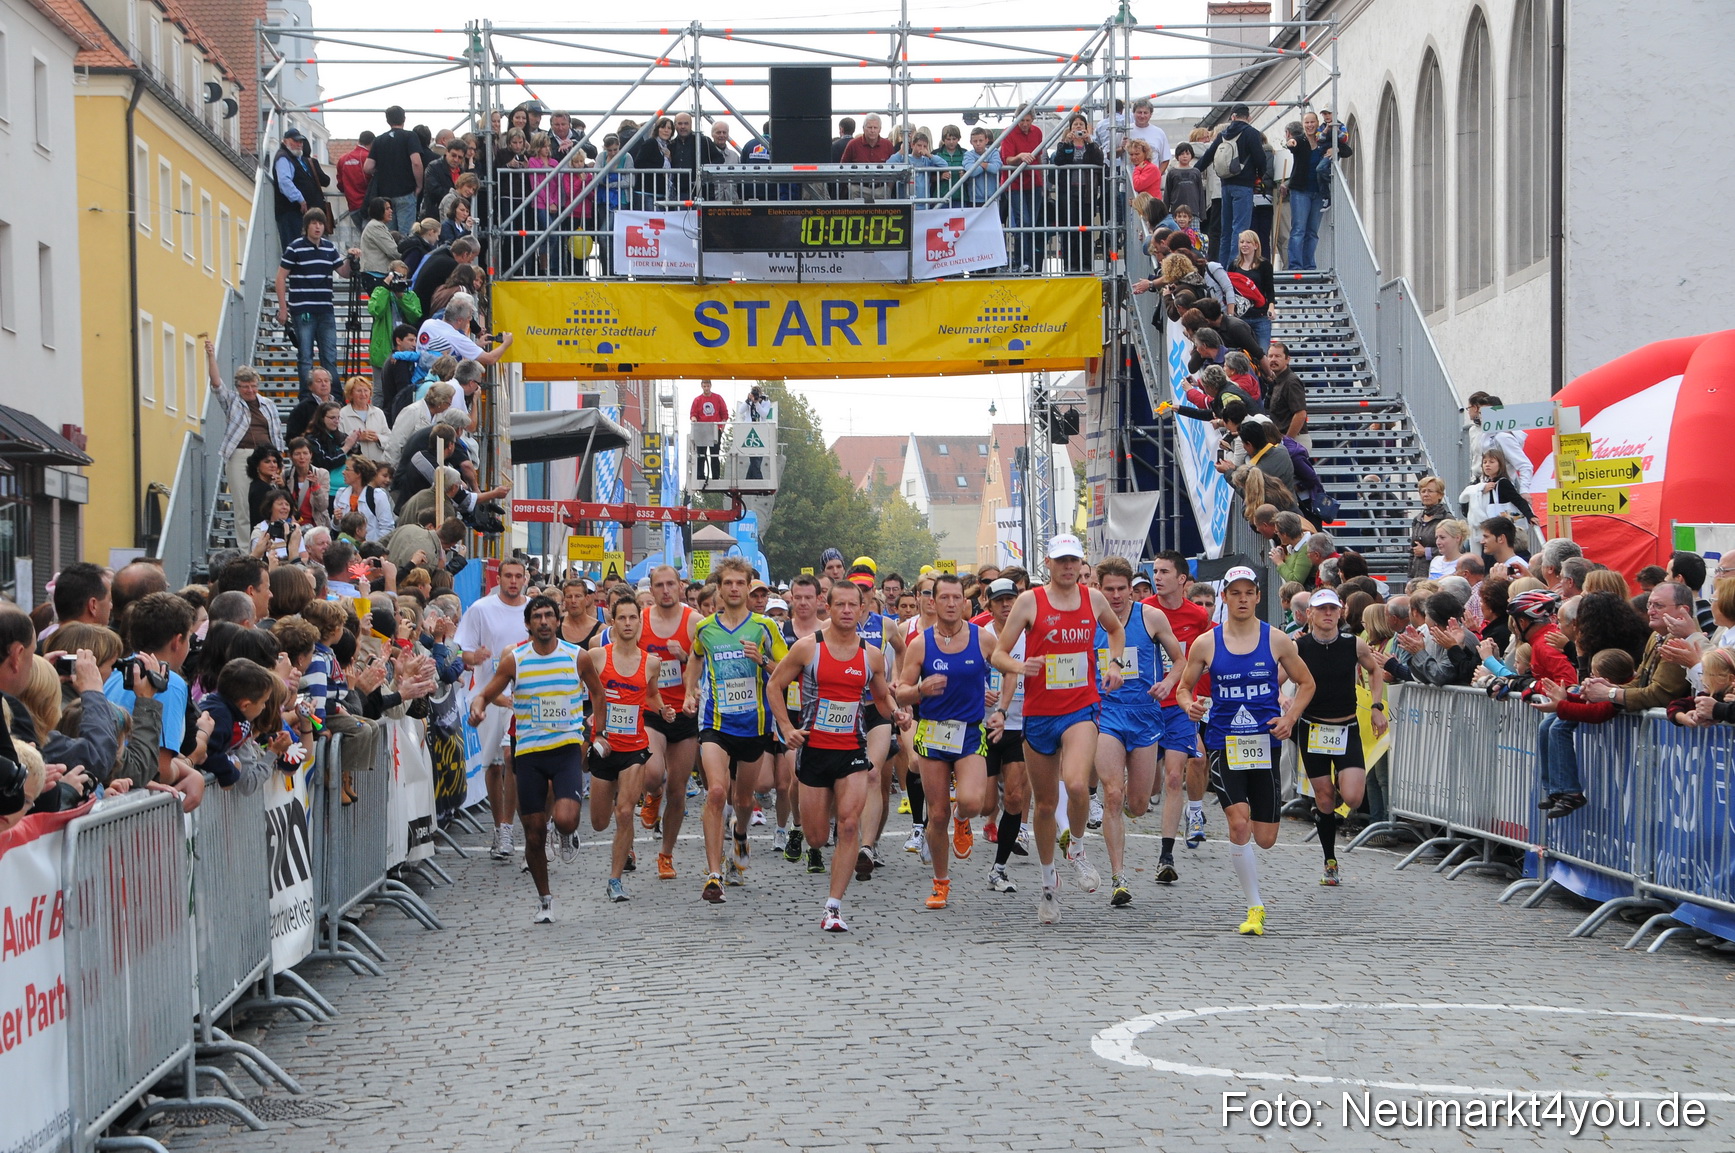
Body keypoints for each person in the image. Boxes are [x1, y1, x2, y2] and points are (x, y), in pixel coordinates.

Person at [989, 534, 1124, 924]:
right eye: (1061, 560)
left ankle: (1078, 849)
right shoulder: (1030, 601)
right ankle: (1049, 883)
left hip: (1081, 707)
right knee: (1045, 805)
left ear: (1082, 564)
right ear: (1047, 562)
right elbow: (1000, 651)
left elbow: (1115, 631)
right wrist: (1018, 667)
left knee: (1078, 784)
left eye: (1074, 561)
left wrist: (1113, 664)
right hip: (1038, 713)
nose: (1068, 567)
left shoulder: (1093, 599)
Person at [1175, 566, 1314, 936]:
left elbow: (1306, 683)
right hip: (1224, 742)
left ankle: (1254, 889)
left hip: (1265, 744)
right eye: (1234, 593)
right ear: (1224, 598)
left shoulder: (1278, 640)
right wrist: (1189, 705)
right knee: (1238, 825)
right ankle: (1255, 907)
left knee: (1265, 839)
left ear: (1257, 596)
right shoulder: (1206, 642)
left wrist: (1291, 719)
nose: (1241, 599)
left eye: (1247, 592)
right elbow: (1184, 688)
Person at [769, 580, 906, 931]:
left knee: (848, 825)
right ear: (826, 608)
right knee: (816, 836)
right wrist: (786, 728)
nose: (847, 611)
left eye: (853, 605)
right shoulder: (806, 649)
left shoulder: (870, 655)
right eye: (839, 605)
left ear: (863, 610)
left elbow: (880, 697)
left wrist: (897, 713)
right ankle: (816, 831)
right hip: (814, 750)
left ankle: (833, 908)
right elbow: (774, 685)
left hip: (851, 750)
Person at [466, 594, 584, 923]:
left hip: (565, 748)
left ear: (558, 621)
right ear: (528, 624)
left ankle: (566, 831)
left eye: (549, 616)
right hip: (528, 751)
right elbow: (486, 693)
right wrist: (478, 708)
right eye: (537, 617)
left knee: (564, 817)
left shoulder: (577, 656)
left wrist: (596, 729)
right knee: (533, 832)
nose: (543, 621)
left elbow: (598, 694)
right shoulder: (515, 659)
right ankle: (544, 899)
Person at [680, 557, 788, 901]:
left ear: (749, 585)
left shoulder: (764, 627)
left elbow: (787, 669)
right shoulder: (705, 628)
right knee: (716, 791)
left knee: (744, 799)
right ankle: (714, 875)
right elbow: (695, 657)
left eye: (740, 583)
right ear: (720, 587)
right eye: (728, 583)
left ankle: (740, 834)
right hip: (715, 722)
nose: (735, 588)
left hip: (753, 724)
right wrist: (690, 690)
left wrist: (763, 662)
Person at [894, 572, 996, 911]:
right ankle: (940, 882)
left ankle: (963, 819)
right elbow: (902, 691)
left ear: (965, 603)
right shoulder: (921, 643)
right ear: (933, 602)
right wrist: (919, 690)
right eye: (944, 598)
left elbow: (1008, 667)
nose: (951, 604)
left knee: (971, 801)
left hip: (968, 731)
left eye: (957, 598)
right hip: (933, 733)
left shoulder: (982, 639)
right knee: (936, 815)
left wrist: (1002, 703)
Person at [1091, 557, 1184, 905]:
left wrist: (1169, 682)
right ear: (1099, 588)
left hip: (1145, 715)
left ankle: (1132, 804)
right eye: (1108, 589)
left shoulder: (1150, 617)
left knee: (1139, 804)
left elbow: (1180, 659)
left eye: (1121, 589)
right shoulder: (1091, 618)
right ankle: (1119, 877)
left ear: (1131, 588)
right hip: (1107, 713)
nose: (1115, 596)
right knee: (1113, 794)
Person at [1291, 588, 1388, 885]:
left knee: (1353, 796)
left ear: (1341, 612)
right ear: (1310, 614)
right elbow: (1278, 677)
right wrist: (1281, 702)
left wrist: (1376, 706)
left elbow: (1375, 670)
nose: (1328, 614)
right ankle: (1329, 860)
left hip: (1346, 728)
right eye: (1322, 609)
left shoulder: (1353, 644)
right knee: (1324, 799)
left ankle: (1339, 780)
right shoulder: (1299, 647)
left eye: (1333, 608)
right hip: (1313, 728)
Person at [578, 596, 671, 903]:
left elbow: (653, 696)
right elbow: (576, 690)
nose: (629, 623)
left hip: (635, 747)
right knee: (599, 821)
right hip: (603, 746)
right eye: (623, 618)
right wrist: (585, 722)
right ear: (613, 622)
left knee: (625, 812)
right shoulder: (595, 657)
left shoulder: (652, 663)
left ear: (640, 623)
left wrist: (664, 711)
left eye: (634, 618)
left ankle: (615, 879)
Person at [100, 592, 207, 810]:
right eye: (189, 637)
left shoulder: (116, 672)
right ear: (178, 641)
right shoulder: (170, 683)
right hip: (129, 807)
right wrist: (189, 769)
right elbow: (160, 768)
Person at [457, 558, 533, 861]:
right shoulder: (480, 609)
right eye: (508, 576)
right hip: (489, 697)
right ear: (498, 579)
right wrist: (474, 658)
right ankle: (500, 826)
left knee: (510, 758)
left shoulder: (534, 609)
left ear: (525, 578)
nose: (513, 581)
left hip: (524, 700)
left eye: (518, 576)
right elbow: (462, 650)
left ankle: (507, 827)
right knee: (494, 765)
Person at [1143, 550, 1216, 857]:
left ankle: (1191, 817)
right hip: (1145, 705)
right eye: (1155, 571)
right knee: (1148, 788)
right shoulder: (1142, 611)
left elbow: (1204, 656)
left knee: (1184, 769)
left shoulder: (1197, 617)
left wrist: (1199, 687)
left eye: (1163, 572)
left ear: (1182, 579)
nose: (1157, 577)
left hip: (1181, 704)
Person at [637, 566, 699, 880]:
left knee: (677, 790)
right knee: (652, 774)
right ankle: (651, 794)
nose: (665, 590)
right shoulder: (642, 621)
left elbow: (706, 665)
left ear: (680, 586)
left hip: (685, 713)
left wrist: (685, 656)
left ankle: (666, 854)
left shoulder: (694, 622)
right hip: (653, 710)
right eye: (659, 585)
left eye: (670, 584)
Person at [276, 211, 359, 400]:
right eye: (314, 223)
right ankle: (307, 394)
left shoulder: (329, 248)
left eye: (320, 223)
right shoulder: (295, 248)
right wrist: (283, 308)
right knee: (305, 355)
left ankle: (334, 394)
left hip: (325, 309)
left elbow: (344, 272)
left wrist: (352, 259)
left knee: (329, 355)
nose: (318, 227)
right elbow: (280, 277)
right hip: (303, 309)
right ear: (307, 227)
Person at [206, 341, 286, 519]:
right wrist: (211, 356)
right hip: (240, 455)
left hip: (265, 457)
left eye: (253, 386)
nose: (250, 390)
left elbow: (276, 434)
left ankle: (266, 541)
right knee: (243, 504)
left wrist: (278, 461)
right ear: (238, 387)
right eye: (245, 386)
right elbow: (216, 383)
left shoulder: (268, 404)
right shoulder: (232, 401)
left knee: (267, 501)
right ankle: (246, 547)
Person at [1194, 103, 1266, 269]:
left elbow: (1208, 156)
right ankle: (1236, 268)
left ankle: (1224, 267)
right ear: (1249, 117)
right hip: (1244, 185)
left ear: (1232, 117)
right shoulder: (1252, 133)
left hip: (1225, 186)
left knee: (1226, 230)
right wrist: (1259, 176)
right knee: (1240, 229)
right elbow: (1260, 159)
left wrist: (1192, 172)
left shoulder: (1223, 135)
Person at [998, 110, 1048, 273]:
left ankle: (1029, 262)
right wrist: (1020, 156)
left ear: (1032, 119)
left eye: (1027, 120)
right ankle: (1022, 261)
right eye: (1021, 120)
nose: (1024, 124)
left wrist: (1042, 182)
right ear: (1016, 119)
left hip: (1034, 183)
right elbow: (1007, 160)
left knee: (1031, 223)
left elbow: (1039, 157)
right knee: (1023, 222)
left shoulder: (1037, 132)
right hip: (1014, 184)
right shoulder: (1008, 133)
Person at [364, 105, 425, 233]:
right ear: (404, 118)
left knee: (389, 235)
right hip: (406, 192)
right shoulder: (410, 136)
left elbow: (367, 167)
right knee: (407, 234)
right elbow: (416, 163)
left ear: (387, 120)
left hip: (385, 196)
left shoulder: (379, 140)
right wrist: (419, 185)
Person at [271, 127, 329, 251]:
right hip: (291, 212)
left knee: (305, 248)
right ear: (285, 141)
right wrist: (300, 199)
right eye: (296, 141)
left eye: (301, 142)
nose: (299, 144)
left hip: (300, 212)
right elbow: (284, 182)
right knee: (295, 248)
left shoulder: (296, 158)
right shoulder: (283, 157)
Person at [1280, 120, 1321, 270]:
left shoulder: (1322, 142)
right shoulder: (1300, 140)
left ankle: (1309, 265)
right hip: (1301, 191)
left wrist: (1334, 151)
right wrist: (1291, 142)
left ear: (1317, 124)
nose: (1310, 125)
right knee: (1298, 229)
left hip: (1317, 192)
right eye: (1307, 122)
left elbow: (1346, 151)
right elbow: (1292, 143)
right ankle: (1296, 265)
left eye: (1312, 122)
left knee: (1312, 232)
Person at [1408, 477, 1452, 579]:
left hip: (1438, 575)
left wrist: (1427, 552)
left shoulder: (1446, 519)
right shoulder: (1417, 519)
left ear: (1440, 495)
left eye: (1430, 491)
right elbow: (1412, 550)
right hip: (1417, 575)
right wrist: (1410, 576)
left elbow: (1457, 548)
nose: (1426, 494)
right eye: (1423, 491)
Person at [689, 379, 728, 481]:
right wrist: (694, 421)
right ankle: (700, 475)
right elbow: (693, 414)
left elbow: (724, 414)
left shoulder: (718, 398)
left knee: (714, 454)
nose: (706, 388)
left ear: (710, 386)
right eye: (704, 386)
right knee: (701, 454)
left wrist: (722, 428)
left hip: (715, 429)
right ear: (701, 386)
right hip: (702, 429)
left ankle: (716, 476)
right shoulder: (697, 400)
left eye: (708, 386)